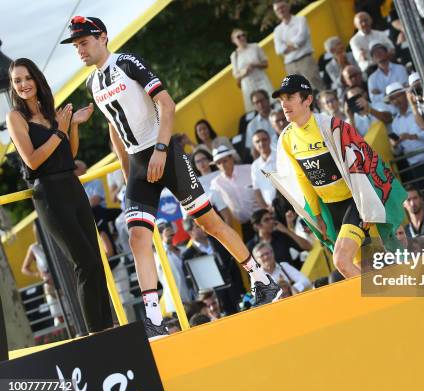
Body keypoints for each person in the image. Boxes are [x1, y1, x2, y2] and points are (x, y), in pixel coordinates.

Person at [62, 16, 281, 338]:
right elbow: (114, 129)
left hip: (165, 151)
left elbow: (166, 102)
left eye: (84, 42)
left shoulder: (127, 61)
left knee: (210, 224)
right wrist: (127, 176)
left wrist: (163, 149)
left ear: (102, 37)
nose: (80, 50)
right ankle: (153, 319)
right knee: (138, 237)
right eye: (76, 45)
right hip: (137, 163)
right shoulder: (92, 84)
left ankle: (262, 279)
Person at [6, 57, 113, 333]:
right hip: (50, 194)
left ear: (36, 79)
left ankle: (109, 329)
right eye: (17, 81)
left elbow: (70, 153)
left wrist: (73, 126)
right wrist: (60, 131)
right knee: (84, 263)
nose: (23, 84)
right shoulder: (15, 117)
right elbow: (32, 161)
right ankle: (97, 335)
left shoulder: (51, 112)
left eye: (27, 78)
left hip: (71, 186)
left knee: (96, 261)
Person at [272, 74, 406, 278]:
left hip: (355, 202)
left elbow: (363, 161)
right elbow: (302, 178)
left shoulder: (331, 126)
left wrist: (367, 204)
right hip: (331, 210)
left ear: (307, 100)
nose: (284, 104)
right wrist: (317, 216)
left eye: (290, 97)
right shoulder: (287, 138)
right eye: (281, 100)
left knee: (341, 260)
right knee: (369, 268)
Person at [210, 145, 259, 242]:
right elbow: (211, 202)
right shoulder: (216, 183)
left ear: (232, 158)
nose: (222, 165)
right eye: (218, 163)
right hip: (242, 226)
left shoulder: (249, 169)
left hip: (260, 217)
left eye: (225, 161)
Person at [272, 0, 325, 90]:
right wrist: (295, 45)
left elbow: (302, 38)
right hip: (290, 65)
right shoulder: (277, 30)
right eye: (277, 9)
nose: (280, 10)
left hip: (305, 59)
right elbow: (278, 50)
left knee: (317, 87)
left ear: (288, 7)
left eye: (282, 7)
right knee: (301, 93)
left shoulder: (300, 20)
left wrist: (288, 46)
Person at [385, 82, 424, 166]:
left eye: (398, 96)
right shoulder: (395, 123)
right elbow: (399, 151)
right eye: (392, 98)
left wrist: (411, 136)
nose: (396, 100)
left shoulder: (420, 109)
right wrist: (394, 146)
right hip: (414, 166)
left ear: (405, 95)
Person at [247, 209, 312, 269]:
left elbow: (308, 247)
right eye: (266, 220)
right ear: (257, 225)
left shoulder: (280, 235)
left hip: (292, 276)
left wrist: (286, 230)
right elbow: (252, 270)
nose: (271, 221)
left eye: (272, 218)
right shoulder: (251, 246)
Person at [230, 28, 274, 113]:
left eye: (243, 35)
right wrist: (244, 71)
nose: (242, 38)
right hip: (248, 84)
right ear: (234, 40)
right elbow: (236, 74)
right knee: (255, 107)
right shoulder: (234, 55)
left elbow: (265, 63)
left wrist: (255, 65)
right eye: (238, 37)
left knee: (270, 101)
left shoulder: (255, 47)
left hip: (261, 80)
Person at [245, 89, 278, 156]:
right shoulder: (252, 125)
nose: (260, 104)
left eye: (262, 100)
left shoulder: (280, 116)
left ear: (268, 100)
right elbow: (254, 150)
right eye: (257, 102)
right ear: (254, 106)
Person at [251, 130, 278, 209]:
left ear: (269, 140)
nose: (261, 143)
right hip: (270, 209)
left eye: (264, 139)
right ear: (254, 145)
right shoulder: (255, 166)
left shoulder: (280, 155)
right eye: (257, 141)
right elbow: (257, 190)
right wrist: (266, 209)